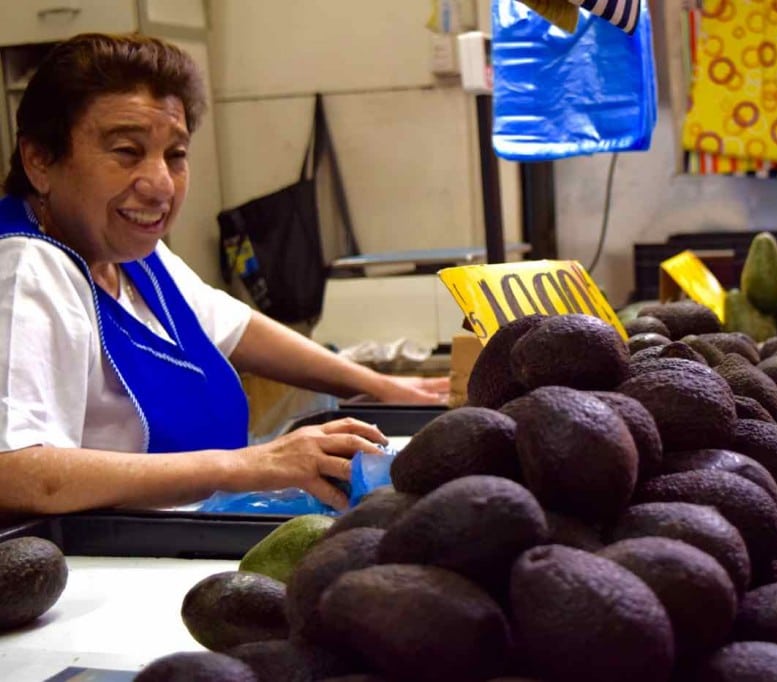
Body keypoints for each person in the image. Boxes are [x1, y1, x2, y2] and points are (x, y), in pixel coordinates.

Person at [0, 33, 449, 516]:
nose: (160, 185)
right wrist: (244, 464)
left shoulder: (128, 254)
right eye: (127, 151)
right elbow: (16, 471)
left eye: (176, 155)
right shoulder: (29, 266)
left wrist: (384, 387)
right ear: (40, 160)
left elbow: (236, 327)